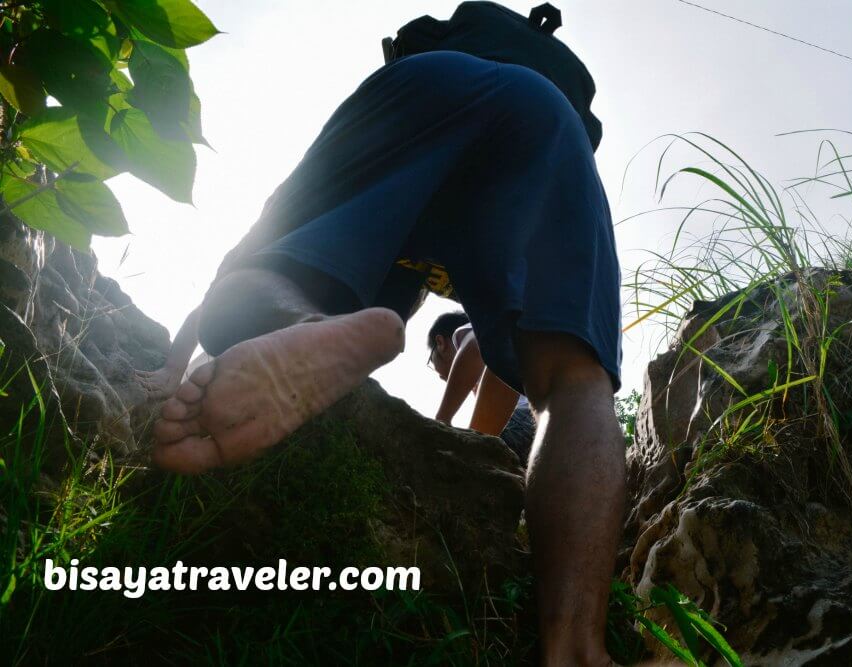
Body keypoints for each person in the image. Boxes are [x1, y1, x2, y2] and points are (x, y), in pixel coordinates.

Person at [144, 46, 624, 666]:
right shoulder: (431, 281)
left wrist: (169, 365)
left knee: (272, 261)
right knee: (573, 382)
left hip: (420, 84)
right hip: (547, 113)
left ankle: (304, 324)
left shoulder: (404, 282)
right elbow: (514, 375)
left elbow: (240, 259)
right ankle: (579, 651)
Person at [427, 310, 536, 465]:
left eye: (431, 362)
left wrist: (442, 420)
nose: (439, 376)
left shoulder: (469, 331)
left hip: (520, 419)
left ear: (440, 343)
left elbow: (475, 345)